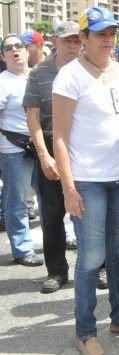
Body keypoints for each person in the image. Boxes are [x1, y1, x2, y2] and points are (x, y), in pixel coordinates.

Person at [52, 7, 119, 355]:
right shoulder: (69, 76)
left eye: (112, 33)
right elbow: (60, 138)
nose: (108, 40)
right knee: (92, 257)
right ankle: (84, 331)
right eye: (100, 34)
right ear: (83, 38)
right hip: (88, 181)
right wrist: (68, 188)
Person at [25, 21, 83, 293]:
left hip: (84, 146)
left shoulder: (90, 67)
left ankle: (100, 267)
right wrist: (44, 155)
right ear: (55, 42)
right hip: (50, 144)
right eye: (67, 40)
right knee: (52, 215)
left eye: (76, 40)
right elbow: (33, 117)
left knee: (90, 210)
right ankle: (56, 271)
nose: (73, 45)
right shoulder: (39, 72)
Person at [0, 33, 43, 267]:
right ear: (3, 56)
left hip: (41, 146)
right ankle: (22, 248)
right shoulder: (2, 81)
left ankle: (60, 237)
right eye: (9, 48)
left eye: (19, 46)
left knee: (50, 198)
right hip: (13, 150)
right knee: (16, 201)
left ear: (27, 51)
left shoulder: (37, 76)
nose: (15, 50)